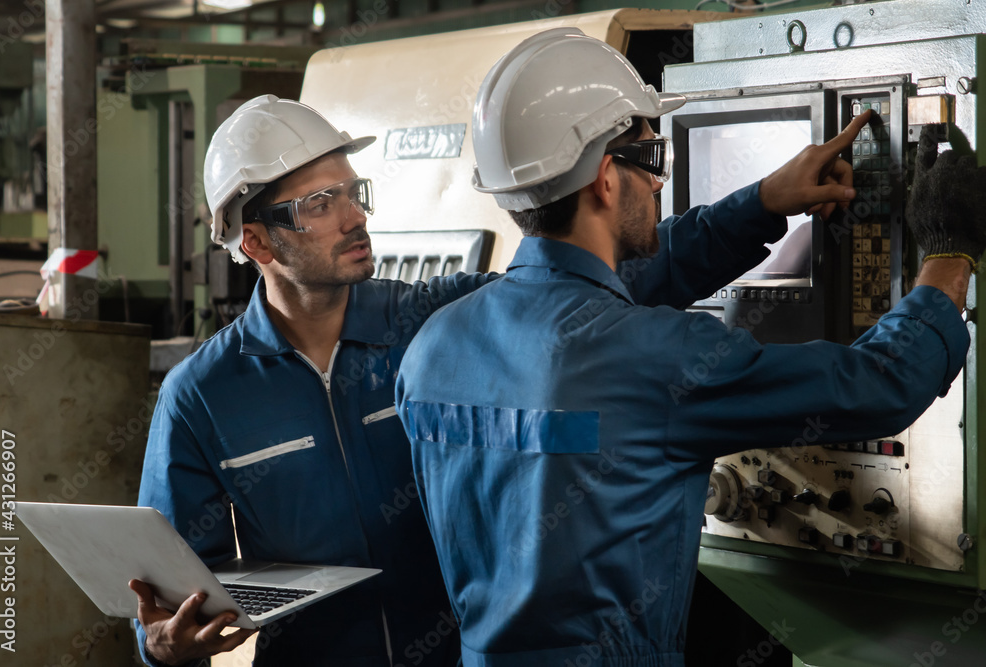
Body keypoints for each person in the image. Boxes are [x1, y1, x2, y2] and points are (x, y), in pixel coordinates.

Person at [128, 89, 807, 666]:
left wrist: (764, 204)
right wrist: (161, 644)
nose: (356, 215)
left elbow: (604, 281)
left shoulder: (430, 321)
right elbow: (172, 590)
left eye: (353, 192)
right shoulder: (201, 395)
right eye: (320, 203)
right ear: (256, 242)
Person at [395, 29, 984, 667]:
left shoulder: (431, 348)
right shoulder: (656, 358)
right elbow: (881, 382)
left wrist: (761, 205)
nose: (658, 183)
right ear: (603, 179)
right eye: (651, 160)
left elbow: (587, 295)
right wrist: (949, 252)